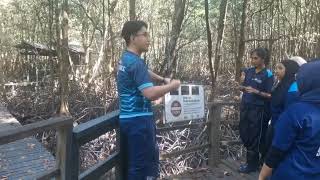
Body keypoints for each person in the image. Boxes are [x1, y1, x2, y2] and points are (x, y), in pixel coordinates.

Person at [117, 20, 181, 179]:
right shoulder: (136, 62)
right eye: (144, 34)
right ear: (132, 37)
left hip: (127, 118)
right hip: (139, 120)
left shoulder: (125, 58)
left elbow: (143, 71)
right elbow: (150, 93)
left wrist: (162, 79)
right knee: (141, 167)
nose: (148, 38)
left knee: (134, 164)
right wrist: (172, 86)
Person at [259, 60, 320, 180]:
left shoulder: (297, 112)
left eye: (300, 78)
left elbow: (277, 150)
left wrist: (261, 176)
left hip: (292, 172)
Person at [238, 48, 274, 173]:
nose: (252, 60)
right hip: (245, 107)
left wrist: (256, 91)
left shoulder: (268, 74)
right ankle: (253, 161)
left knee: (255, 137)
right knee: (244, 134)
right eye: (251, 57)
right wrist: (241, 87)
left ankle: (252, 164)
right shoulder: (249, 71)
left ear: (263, 59)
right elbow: (245, 87)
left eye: (255, 58)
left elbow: (270, 95)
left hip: (258, 110)